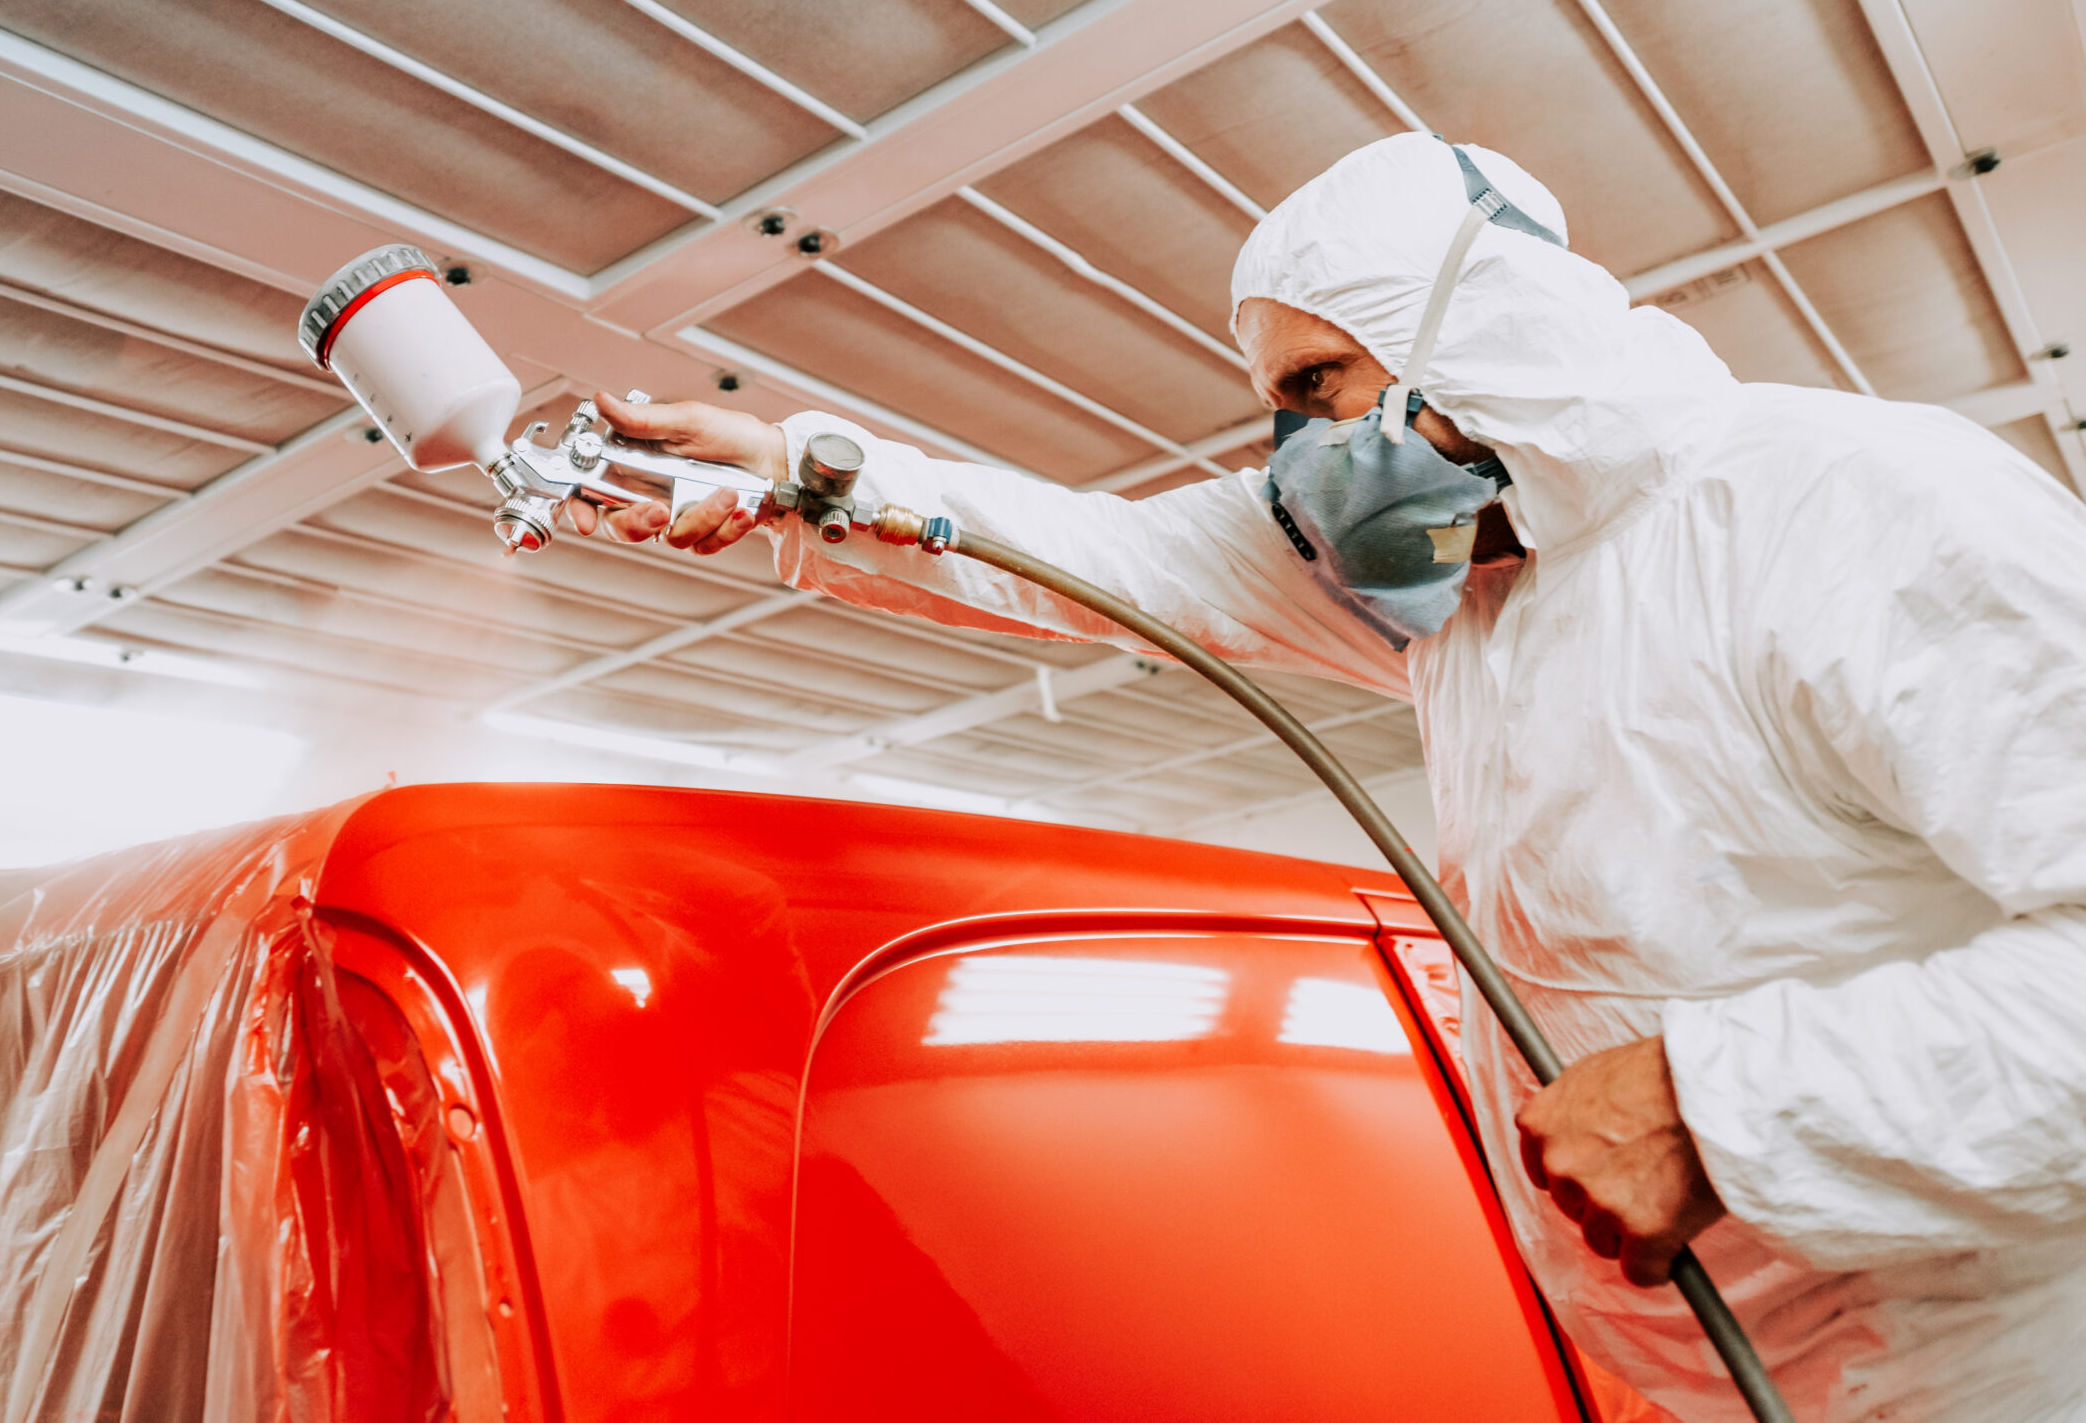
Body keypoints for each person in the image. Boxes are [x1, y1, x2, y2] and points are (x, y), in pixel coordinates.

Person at [565, 134, 2086, 1422]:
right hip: (1691, 1375)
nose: (1293, 460)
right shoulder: (1474, 590)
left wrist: (1719, 1107)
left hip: (1991, 1371)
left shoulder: (1853, 510)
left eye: (1318, 386)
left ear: (1472, 340)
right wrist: (802, 475)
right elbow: (1106, 561)